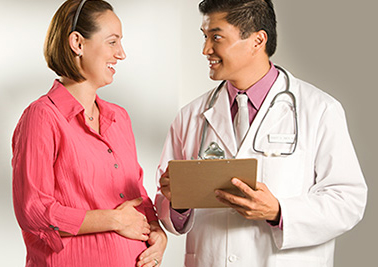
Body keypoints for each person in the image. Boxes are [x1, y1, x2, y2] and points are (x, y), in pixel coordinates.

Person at [155, 0, 367, 266]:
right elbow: (166, 208)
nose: (205, 49)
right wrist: (177, 203)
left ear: (257, 41)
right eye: (204, 36)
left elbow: (348, 201)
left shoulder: (320, 109)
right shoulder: (190, 116)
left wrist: (279, 212)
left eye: (216, 37)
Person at [12, 1, 166, 266]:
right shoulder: (42, 117)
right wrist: (114, 220)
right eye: (112, 42)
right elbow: (34, 210)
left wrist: (156, 231)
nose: (121, 54)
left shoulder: (119, 118)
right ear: (77, 43)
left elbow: (135, 190)